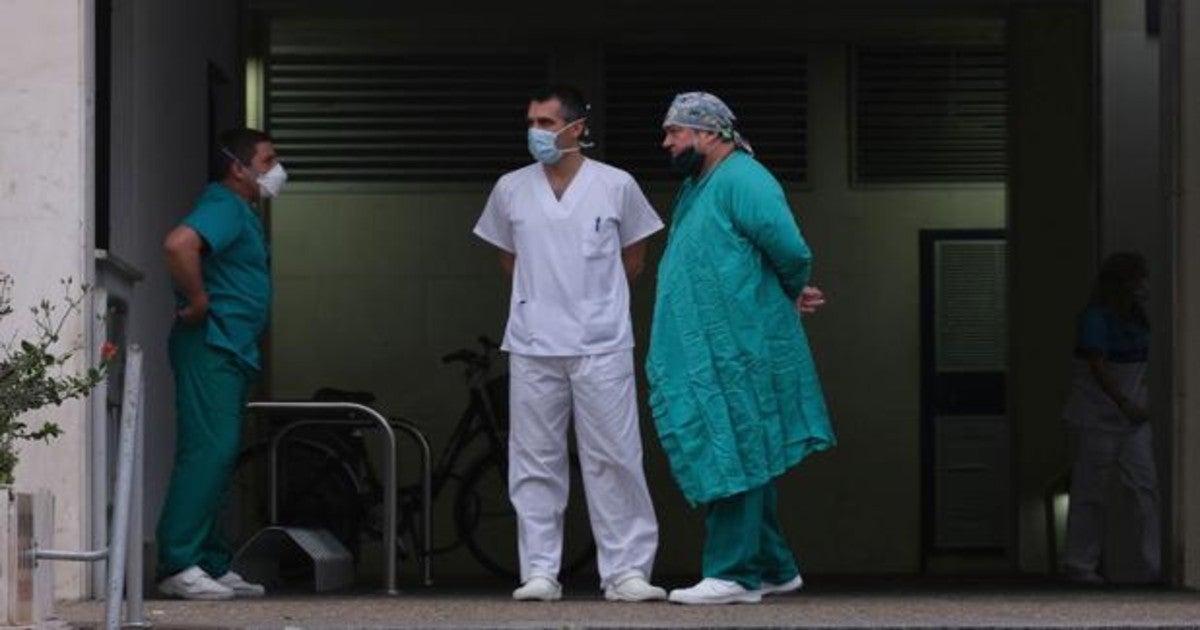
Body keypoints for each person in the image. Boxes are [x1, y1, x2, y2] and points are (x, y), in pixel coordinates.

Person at [472, 85, 667, 602]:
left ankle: (626, 572)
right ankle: (539, 570)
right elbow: (509, 260)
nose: (535, 131)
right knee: (534, 458)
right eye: (531, 121)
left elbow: (635, 259)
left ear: (576, 127)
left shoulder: (616, 185)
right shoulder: (511, 188)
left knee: (615, 457)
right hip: (534, 341)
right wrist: (543, 299)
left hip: (601, 342)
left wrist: (591, 301)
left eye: (544, 122)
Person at [646, 92, 835, 605]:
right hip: (708, 347)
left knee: (734, 449)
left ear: (709, 133)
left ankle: (733, 574)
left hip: (738, 348)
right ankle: (775, 567)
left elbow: (792, 251)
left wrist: (788, 290)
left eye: (675, 132)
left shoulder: (745, 180)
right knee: (740, 450)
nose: (667, 143)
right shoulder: (697, 186)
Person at [155, 127, 287, 600]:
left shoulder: (240, 212)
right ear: (239, 166)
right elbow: (178, 244)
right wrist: (197, 300)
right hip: (211, 344)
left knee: (222, 452)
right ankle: (179, 562)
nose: (277, 171)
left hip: (230, 349)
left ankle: (210, 560)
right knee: (209, 451)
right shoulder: (225, 206)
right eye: (269, 161)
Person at [1061, 251, 1161, 584]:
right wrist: (1123, 403)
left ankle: (1152, 565)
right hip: (1097, 417)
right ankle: (1080, 565)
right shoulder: (1095, 319)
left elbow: (1138, 368)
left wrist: (1137, 404)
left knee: (1144, 487)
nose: (1145, 285)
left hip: (1131, 420)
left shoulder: (1136, 318)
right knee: (1091, 489)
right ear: (1124, 282)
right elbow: (1097, 365)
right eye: (1139, 278)